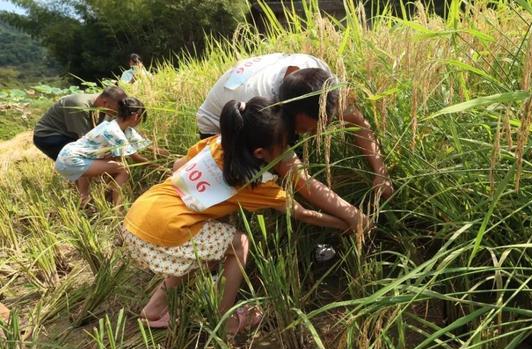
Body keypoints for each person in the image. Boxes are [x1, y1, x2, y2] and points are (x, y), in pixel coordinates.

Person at [123, 97, 349, 332]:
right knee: (239, 243)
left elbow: (177, 167)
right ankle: (225, 320)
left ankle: (154, 311)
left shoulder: (217, 144)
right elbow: (303, 214)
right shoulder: (253, 183)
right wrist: (344, 223)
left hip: (141, 213)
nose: (290, 152)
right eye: (285, 146)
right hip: (163, 228)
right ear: (260, 152)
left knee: (211, 249)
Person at [195, 53, 393, 235]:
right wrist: (354, 216)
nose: (319, 133)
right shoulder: (263, 111)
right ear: (287, 116)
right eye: (308, 129)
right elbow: (300, 179)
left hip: (256, 86)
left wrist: (380, 172)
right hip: (222, 122)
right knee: (234, 182)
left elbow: (358, 122)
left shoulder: (318, 81)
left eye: (326, 123)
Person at [54, 97, 153, 206]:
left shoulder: (120, 128)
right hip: (70, 160)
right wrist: (160, 167)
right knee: (122, 170)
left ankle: (85, 199)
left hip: (68, 157)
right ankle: (118, 208)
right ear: (135, 116)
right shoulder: (113, 131)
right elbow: (136, 158)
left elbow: (145, 145)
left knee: (110, 160)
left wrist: (167, 155)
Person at [33, 86, 127, 161]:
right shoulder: (80, 106)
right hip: (48, 136)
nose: (117, 113)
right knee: (82, 159)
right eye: (116, 110)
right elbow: (86, 140)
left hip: (68, 134)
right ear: (105, 103)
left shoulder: (101, 106)